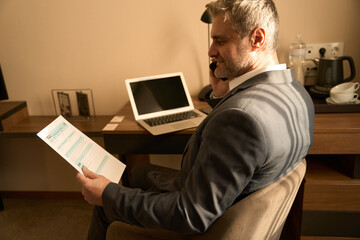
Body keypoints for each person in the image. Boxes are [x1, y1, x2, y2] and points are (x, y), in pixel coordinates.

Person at [76, 0, 315, 239]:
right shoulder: (296, 93)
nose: (211, 51)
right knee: (136, 174)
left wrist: (107, 195)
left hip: (203, 223)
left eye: (220, 41)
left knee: (105, 204)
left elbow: (191, 214)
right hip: (224, 196)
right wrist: (221, 94)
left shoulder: (240, 119)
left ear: (257, 39)